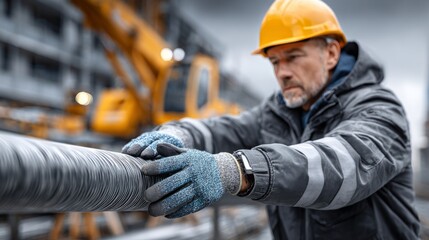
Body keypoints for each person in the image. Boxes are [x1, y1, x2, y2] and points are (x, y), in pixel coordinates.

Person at [122, 0, 421, 239]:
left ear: (331, 54)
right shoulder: (277, 113)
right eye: (275, 61)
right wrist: (177, 134)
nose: (282, 72)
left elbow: (343, 166)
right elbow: (223, 130)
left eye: (293, 56)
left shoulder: (378, 107)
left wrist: (237, 169)